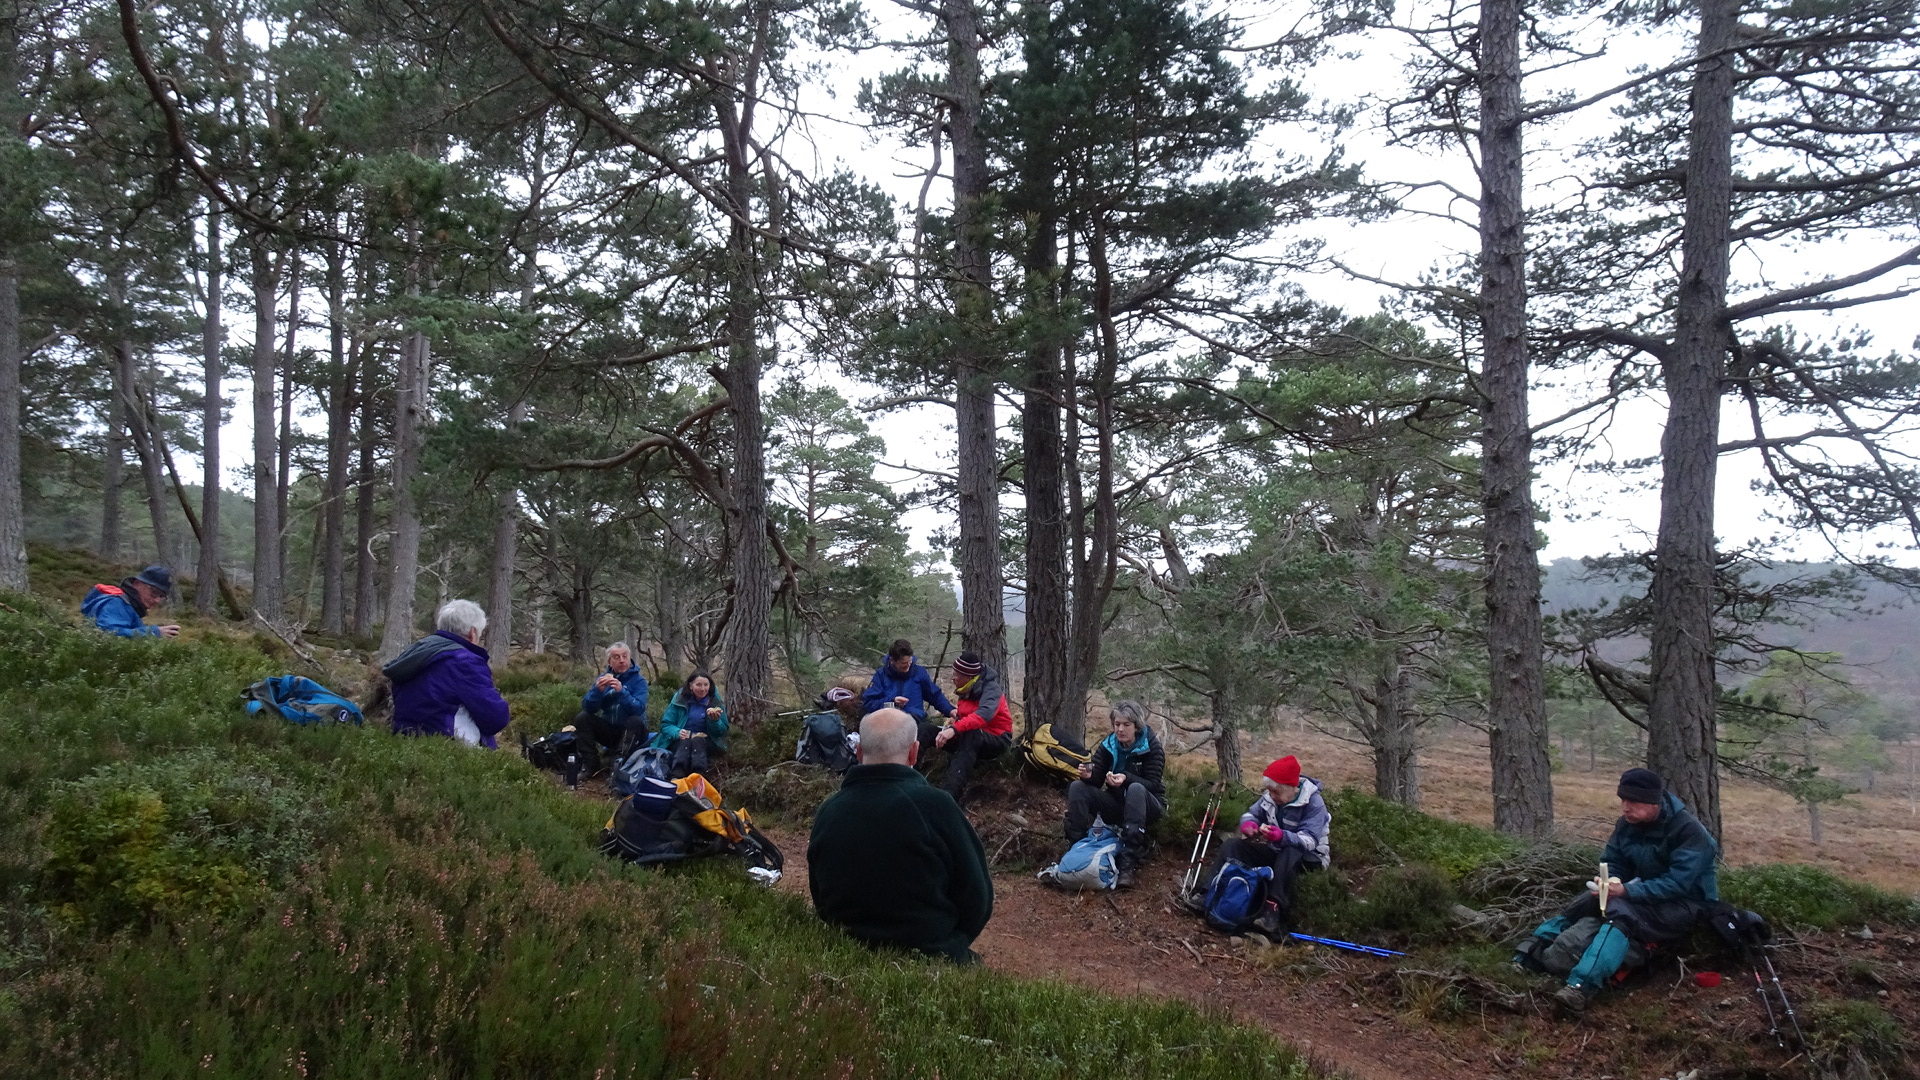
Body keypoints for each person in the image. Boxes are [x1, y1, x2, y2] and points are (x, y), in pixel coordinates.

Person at [1511, 768, 1720, 1013]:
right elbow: (1613, 860)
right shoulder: (1627, 824)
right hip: (1645, 893)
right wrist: (1610, 881)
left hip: (1687, 905)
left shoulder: (1689, 832)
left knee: (1621, 913)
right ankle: (1527, 957)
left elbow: (1677, 884)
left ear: (1653, 802)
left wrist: (1627, 892)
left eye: (1633, 802)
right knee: (1587, 900)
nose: (1625, 808)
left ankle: (1580, 987)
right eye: (1623, 800)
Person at [807, 708, 993, 963]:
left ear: (859, 752)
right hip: (933, 957)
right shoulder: (936, 806)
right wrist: (952, 943)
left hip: (846, 956)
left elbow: (819, 895)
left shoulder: (829, 810)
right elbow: (978, 897)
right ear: (914, 752)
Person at [1188, 755, 1330, 934]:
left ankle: (1272, 911)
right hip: (1278, 852)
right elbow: (1251, 814)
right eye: (1270, 791)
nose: (1272, 796)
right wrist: (1249, 825)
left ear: (1291, 788)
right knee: (1233, 845)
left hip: (1310, 858)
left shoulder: (1314, 803)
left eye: (1276, 792)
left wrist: (1281, 836)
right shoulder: (1270, 798)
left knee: (1291, 849)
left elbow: (1310, 840)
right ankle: (1208, 893)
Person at [1064, 700, 1165, 888]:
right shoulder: (1109, 745)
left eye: (1126, 725)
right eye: (1117, 724)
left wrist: (1126, 778)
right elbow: (1096, 780)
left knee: (1136, 789)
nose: (1120, 729)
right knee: (1077, 787)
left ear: (1136, 726)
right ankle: (1076, 849)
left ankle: (1127, 864)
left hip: (1148, 807)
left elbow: (1153, 785)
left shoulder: (1152, 746)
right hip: (1117, 804)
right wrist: (1088, 776)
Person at [384, 599, 511, 748]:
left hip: (406, 745)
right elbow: (496, 718)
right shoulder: (464, 662)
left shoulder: (416, 652)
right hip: (451, 749)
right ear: (472, 633)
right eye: (480, 635)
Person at [931, 651, 1013, 805]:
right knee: (927, 730)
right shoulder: (967, 687)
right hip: (970, 736)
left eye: (956, 675)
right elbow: (966, 716)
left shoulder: (991, 690)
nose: (952, 678)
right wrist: (953, 725)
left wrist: (954, 729)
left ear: (968, 677)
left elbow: (983, 715)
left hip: (997, 739)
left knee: (971, 734)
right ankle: (908, 779)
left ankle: (949, 796)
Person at [861, 639, 954, 753]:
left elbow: (934, 695)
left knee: (923, 731)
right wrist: (892, 702)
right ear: (892, 661)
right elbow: (868, 703)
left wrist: (950, 710)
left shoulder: (919, 672)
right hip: (889, 722)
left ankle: (911, 762)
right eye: (903, 664)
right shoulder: (881, 675)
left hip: (915, 720)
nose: (908, 666)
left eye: (909, 662)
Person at [575, 642, 651, 758]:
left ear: (629, 658)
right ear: (609, 661)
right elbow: (588, 708)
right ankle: (589, 762)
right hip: (611, 730)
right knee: (583, 718)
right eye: (616, 657)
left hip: (634, 732)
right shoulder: (602, 679)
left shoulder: (639, 681)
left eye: (625, 656)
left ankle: (619, 761)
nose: (621, 660)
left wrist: (621, 691)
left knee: (635, 720)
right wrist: (597, 691)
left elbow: (638, 709)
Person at [653, 670, 728, 778]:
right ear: (691, 686)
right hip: (680, 740)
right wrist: (677, 732)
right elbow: (666, 725)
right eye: (698, 685)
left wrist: (715, 721)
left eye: (706, 685)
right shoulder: (679, 700)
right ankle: (677, 775)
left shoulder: (715, 702)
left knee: (698, 741)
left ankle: (698, 776)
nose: (703, 689)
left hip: (706, 741)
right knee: (685, 741)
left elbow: (722, 731)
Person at [81, 565, 181, 638]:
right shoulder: (116, 603)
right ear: (137, 584)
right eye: (154, 592)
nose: (157, 600)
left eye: (161, 596)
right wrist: (154, 632)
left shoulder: (128, 606)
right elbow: (110, 634)